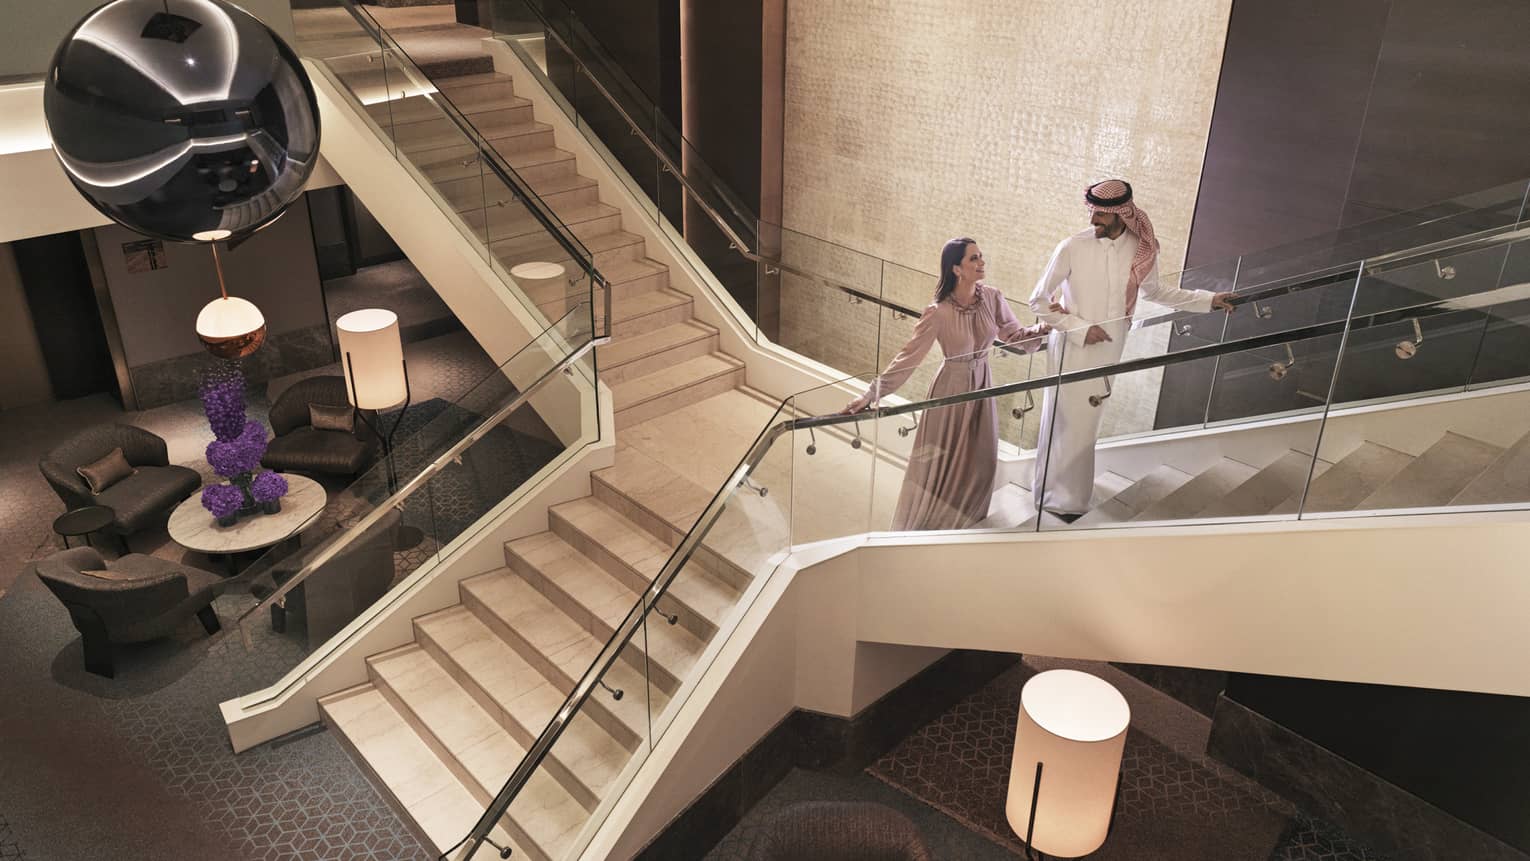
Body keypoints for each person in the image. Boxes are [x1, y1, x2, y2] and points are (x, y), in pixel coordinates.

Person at [1028, 179, 1235, 520]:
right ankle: (1057, 500)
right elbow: (1038, 300)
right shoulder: (1071, 247)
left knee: (1088, 423)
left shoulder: (1141, 248)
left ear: (1121, 214)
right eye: (1092, 211)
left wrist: (1207, 300)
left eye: (1101, 213)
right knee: (1064, 422)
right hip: (1071, 347)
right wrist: (1080, 328)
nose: (1094, 219)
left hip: (1110, 350)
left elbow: (1155, 292)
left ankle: (1068, 496)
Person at [844, 238, 1048, 531]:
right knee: (940, 462)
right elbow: (909, 356)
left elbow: (1016, 337)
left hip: (983, 384)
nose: (981, 263)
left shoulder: (992, 297)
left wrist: (1046, 326)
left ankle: (966, 522)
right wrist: (872, 392)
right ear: (956, 269)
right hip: (951, 387)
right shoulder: (938, 311)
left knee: (982, 458)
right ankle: (927, 526)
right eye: (973, 259)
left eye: (981, 256)